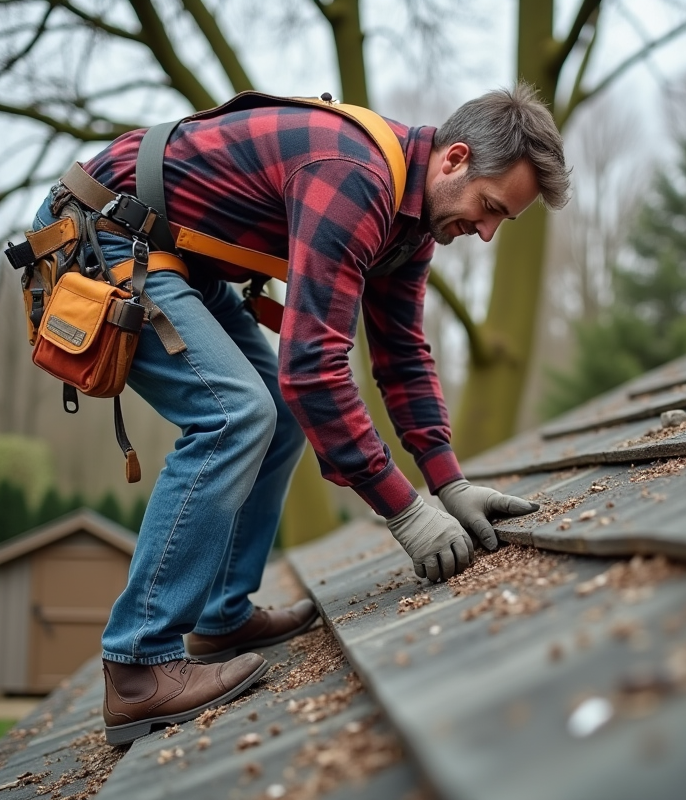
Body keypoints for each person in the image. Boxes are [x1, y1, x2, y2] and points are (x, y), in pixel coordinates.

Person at [31, 82, 569, 745]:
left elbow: (400, 354)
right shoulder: (354, 178)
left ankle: (222, 612)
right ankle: (139, 667)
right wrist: (402, 508)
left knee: (275, 413)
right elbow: (315, 368)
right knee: (233, 414)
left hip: (180, 256)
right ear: (454, 159)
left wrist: (448, 482)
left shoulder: (411, 226)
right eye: (489, 209)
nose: (485, 234)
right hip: (107, 229)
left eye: (501, 223)